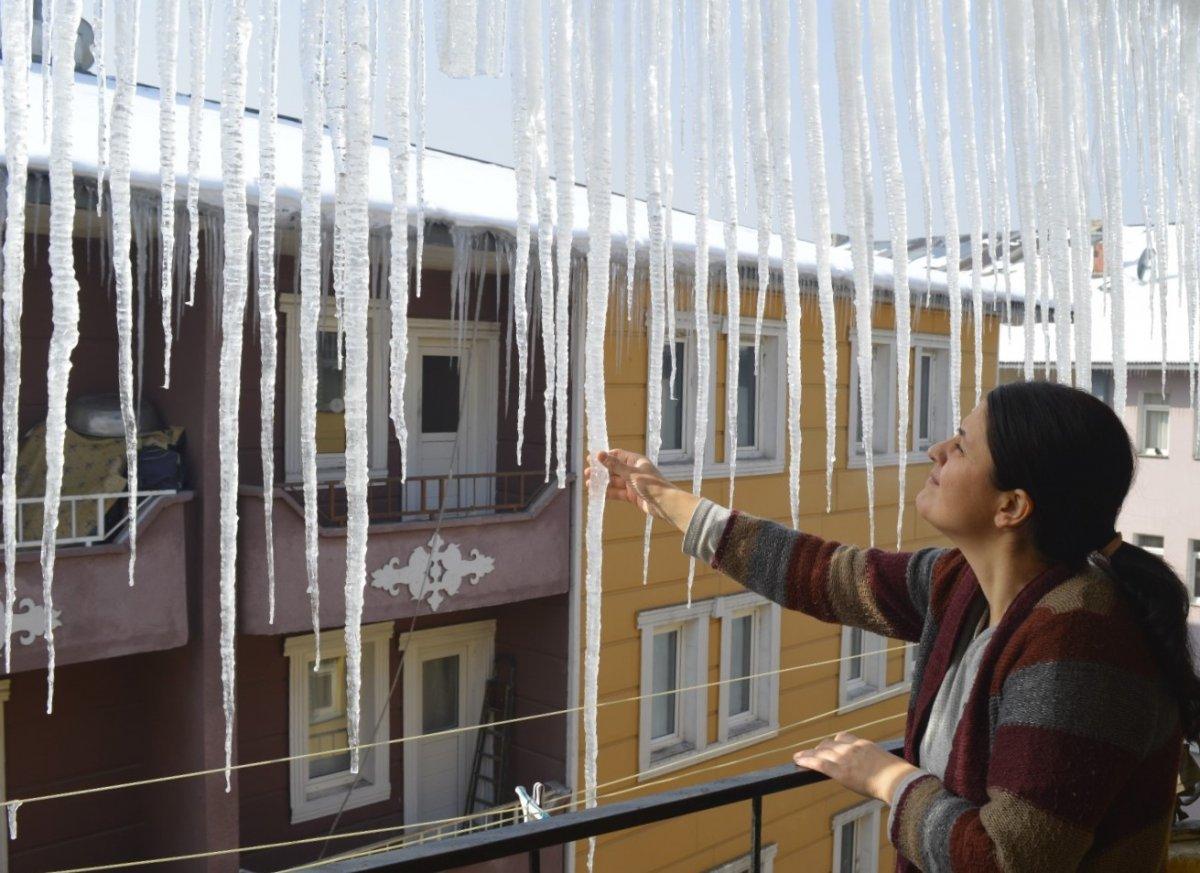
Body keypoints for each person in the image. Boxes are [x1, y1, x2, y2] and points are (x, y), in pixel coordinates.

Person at [586, 380, 1199, 872]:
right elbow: (827, 575)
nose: (937, 451)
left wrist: (887, 778)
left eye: (961, 446)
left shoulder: (1080, 642)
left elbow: (1007, 859)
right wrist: (667, 500)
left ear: (1011, 506)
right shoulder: (965, 584)